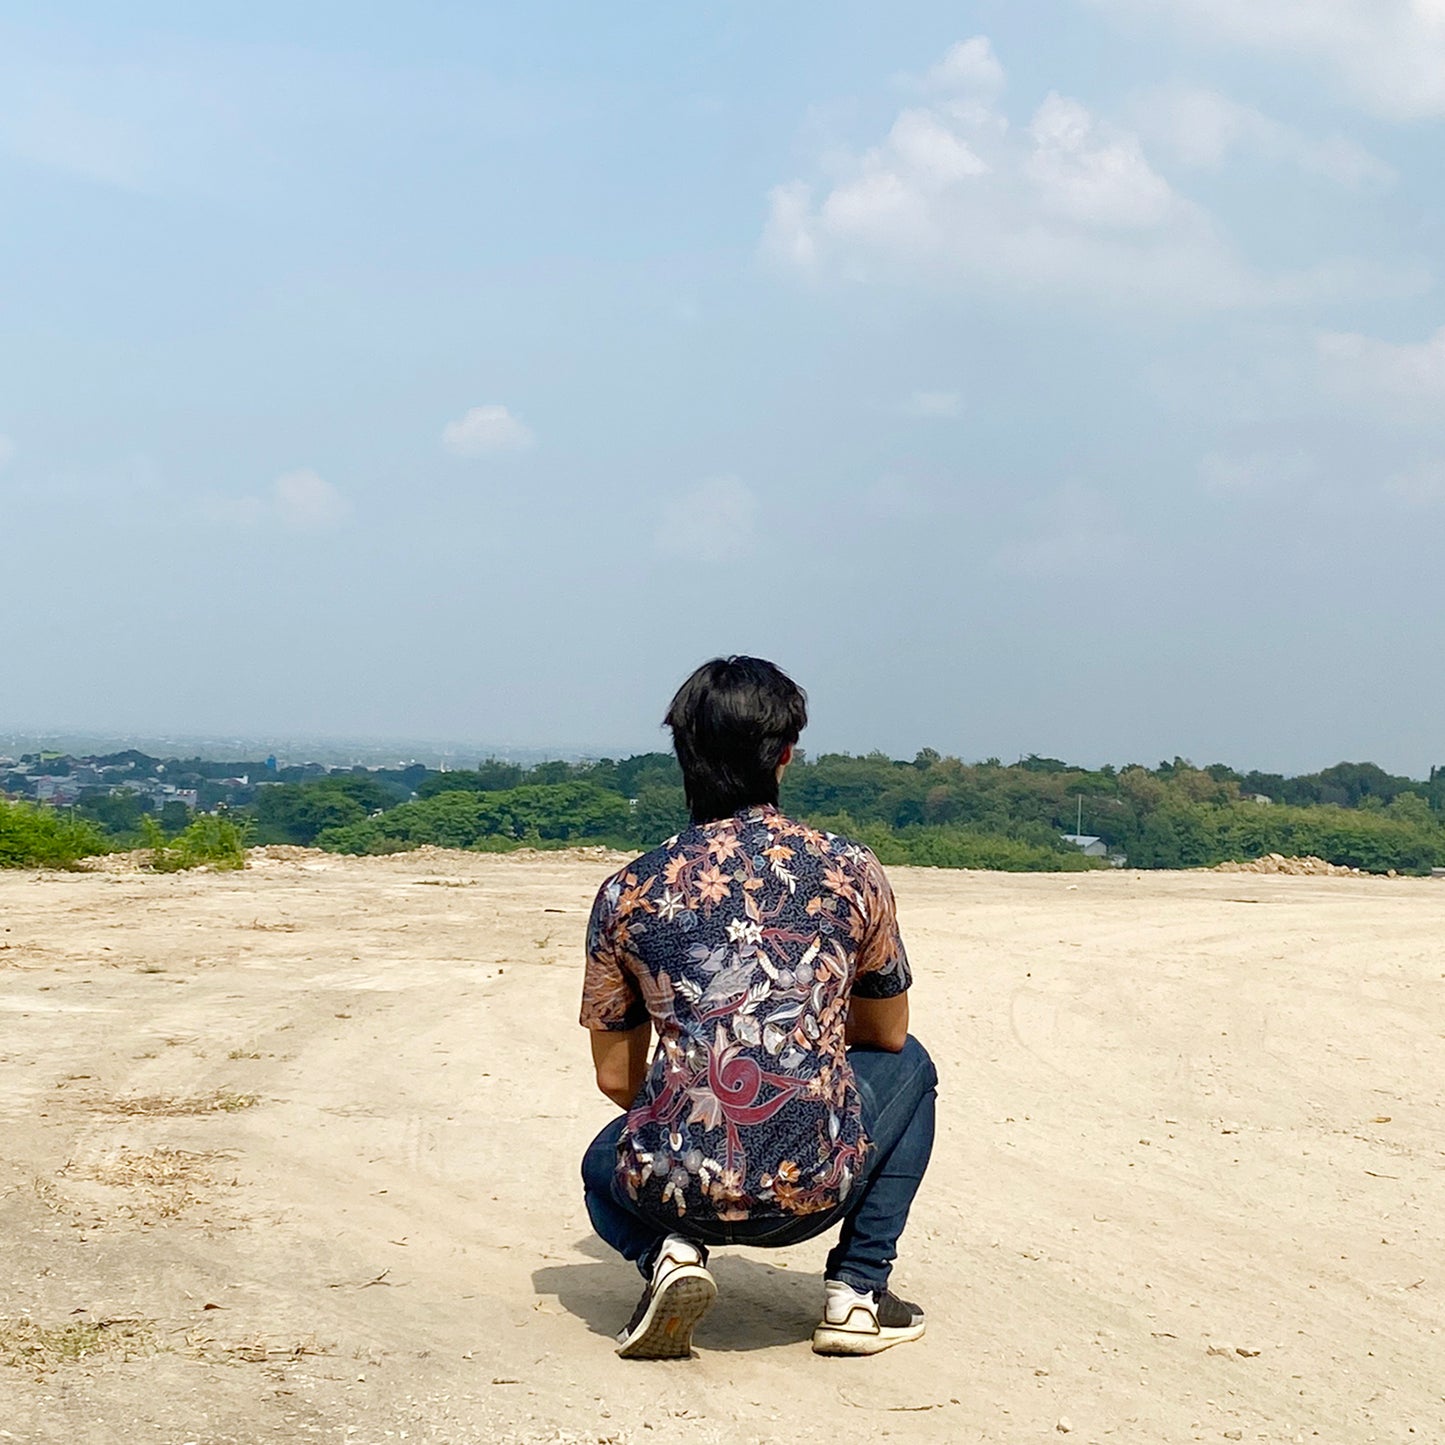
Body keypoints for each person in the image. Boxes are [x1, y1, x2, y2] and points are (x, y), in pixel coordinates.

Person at [579, 656, 937, 1359]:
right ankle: (858, 1293)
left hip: (676, 1188)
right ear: (784, 755)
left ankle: (668, 1255)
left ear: (682, 753)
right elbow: (886, 1032)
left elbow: (617, 1082)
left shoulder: (626, 890)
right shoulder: (848, 868)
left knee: (601, 1161)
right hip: (815, 1187)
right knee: (915, 1065)